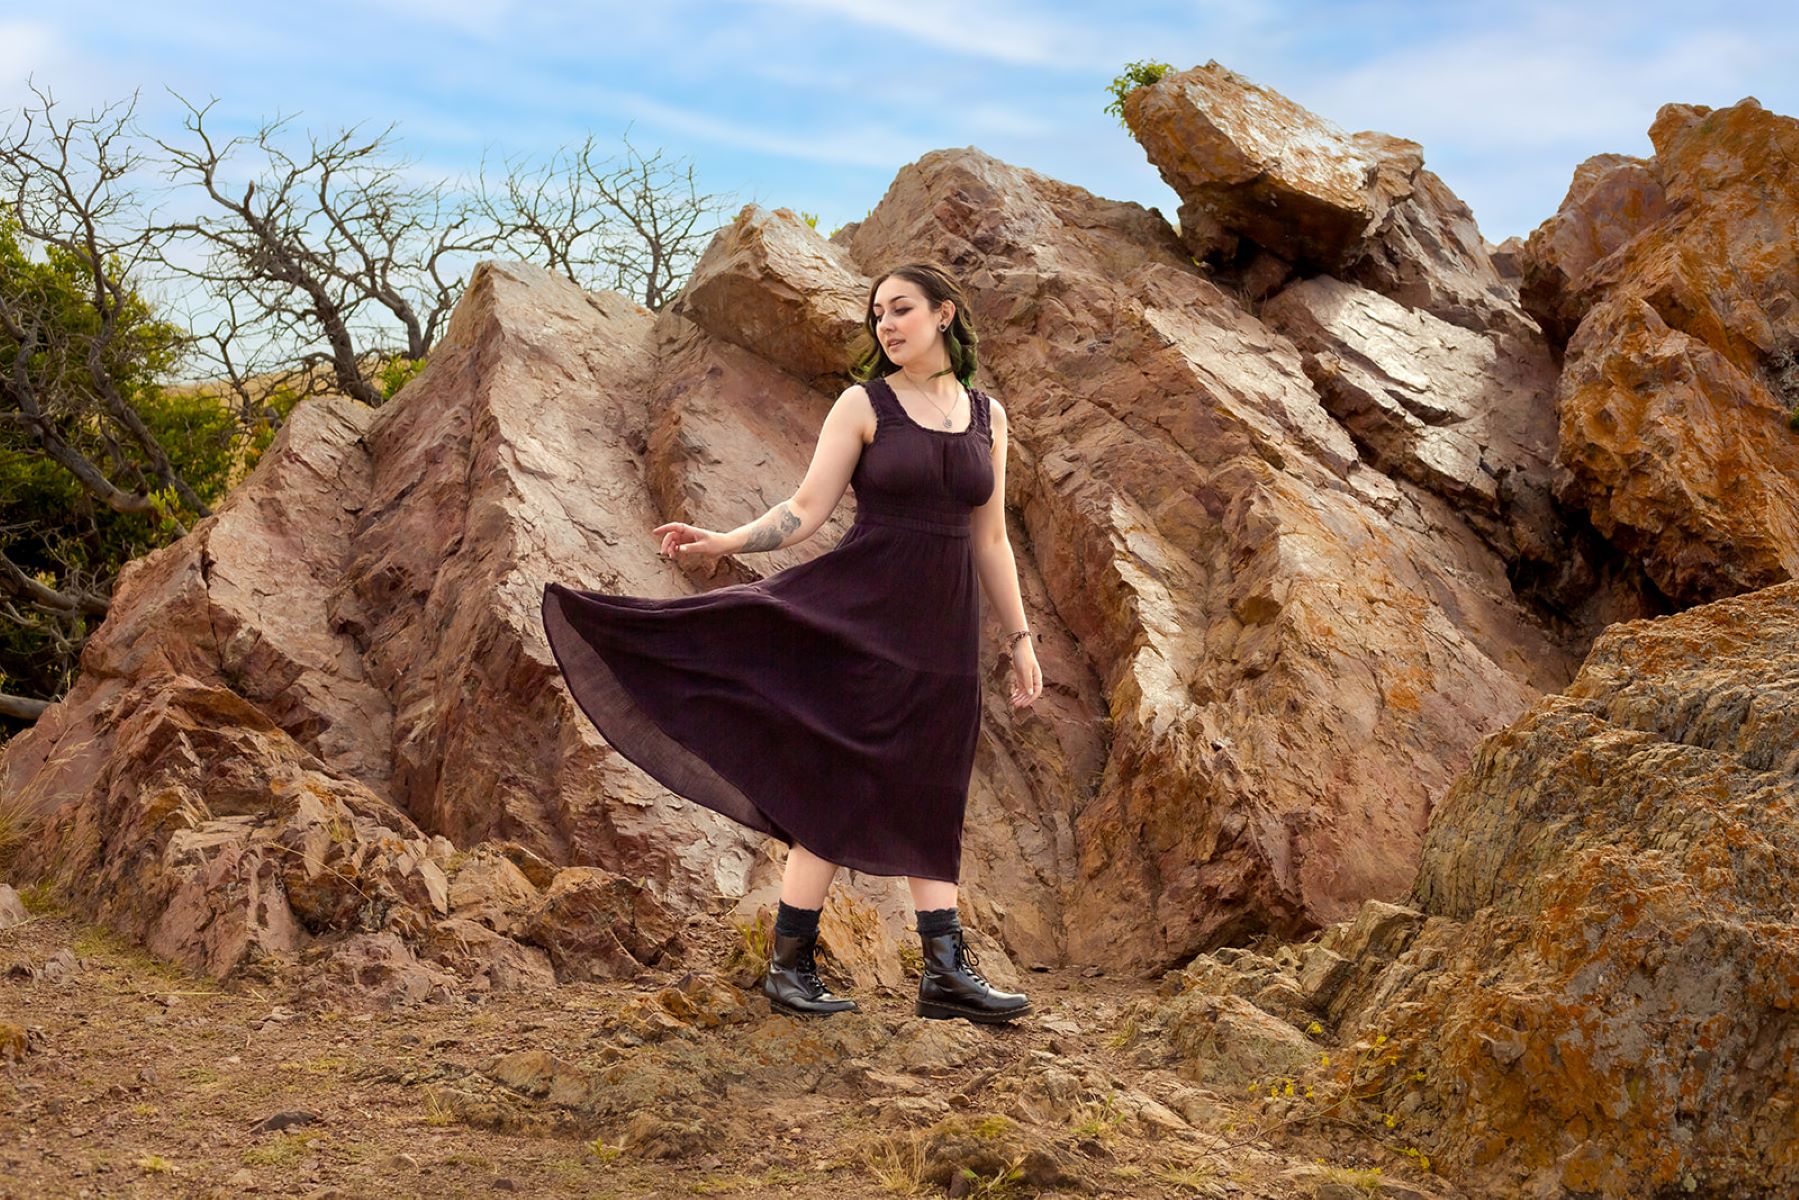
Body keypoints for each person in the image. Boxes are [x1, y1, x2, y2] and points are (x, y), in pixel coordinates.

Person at [540, 261, 1043, 1023]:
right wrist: (723, 543)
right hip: (862, 612)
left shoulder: (986, 417)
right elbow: (804, 509)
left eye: (901, 309)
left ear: (944, 314)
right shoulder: (863, 404)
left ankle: (942, 974)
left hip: (944, 634)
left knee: (932, 788)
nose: (887, 324)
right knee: (842, 784)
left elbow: (991, 539)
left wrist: (1020, 639)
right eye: (877, 314)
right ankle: (792, 966)